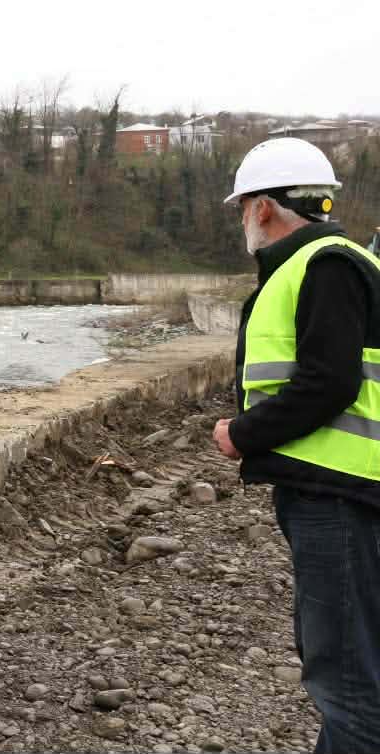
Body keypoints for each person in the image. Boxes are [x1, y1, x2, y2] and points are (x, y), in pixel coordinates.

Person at [211, 137, 380, 752]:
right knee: (349, 661)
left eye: (243, 208)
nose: (242, 223)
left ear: (262, 208)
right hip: (344, 488)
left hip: (338, 493)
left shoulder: (324, 264)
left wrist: (242, 434)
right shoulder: (340, 260)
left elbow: (328, 382)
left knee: (345, 676)